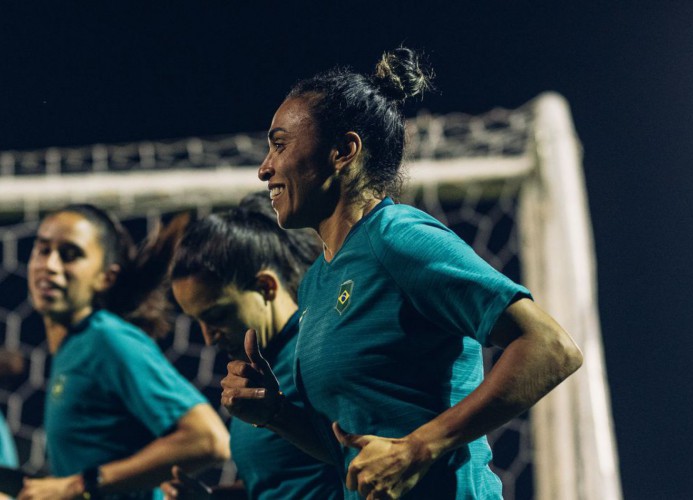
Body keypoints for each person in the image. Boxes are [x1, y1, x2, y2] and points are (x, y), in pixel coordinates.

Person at [221, 47, 584, 499]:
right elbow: (351, 452)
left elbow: (551, 347)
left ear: (343, 151)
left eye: (280, 144)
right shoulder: (316, 282)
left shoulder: (397, 236)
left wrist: (419, 447)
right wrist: (275, 413)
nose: (264, 168)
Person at [21, 204, 230, 500]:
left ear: (105, 277)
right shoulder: (73, 346)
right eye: (43, 250)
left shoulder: (108, 338)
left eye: (70, 255)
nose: (50, 265)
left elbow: (208, 439)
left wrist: (78, 485)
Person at [163, 193, 342, 499]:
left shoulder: (322, 353)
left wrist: (277, 415)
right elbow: (283, 483)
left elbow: (369, 456)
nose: (208, 338)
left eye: (217, 316)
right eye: (197, 321)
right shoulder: (259, 372)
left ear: (265, 287)